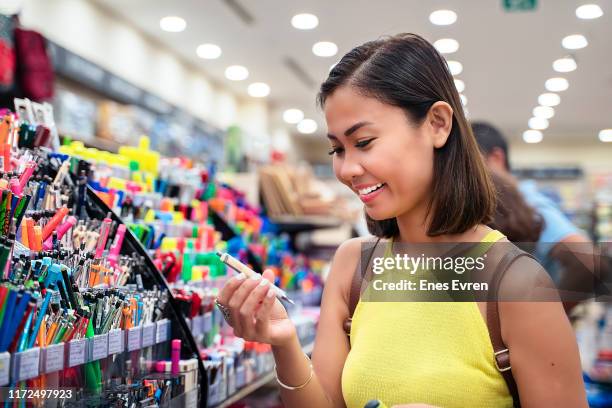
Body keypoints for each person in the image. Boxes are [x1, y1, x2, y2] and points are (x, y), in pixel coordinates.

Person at [216, 34, 586, 407]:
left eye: (363, 142)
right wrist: (284, 342)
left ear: (438, 124)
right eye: (336, 149)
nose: (347, 169)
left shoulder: (517, 284)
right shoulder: (353, 266)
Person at [472, 122, 598, 309]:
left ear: (496, 158)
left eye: (469, 161)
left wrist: (549, 316)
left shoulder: (527, 201)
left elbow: (588, 262)